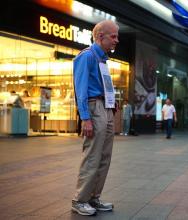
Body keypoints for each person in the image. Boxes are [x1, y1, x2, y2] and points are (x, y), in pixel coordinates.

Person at [72, 20, 119, 216]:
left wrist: (112, 101)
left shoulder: (102, 59)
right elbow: (80, 90)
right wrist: (86, 118)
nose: (116, 40)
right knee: (92, 156)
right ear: (100, 37)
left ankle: (93, 197)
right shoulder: (87, 57)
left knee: (104, 157)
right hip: (94, 107)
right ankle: (80, 200)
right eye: (113, 36)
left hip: (106, 108)